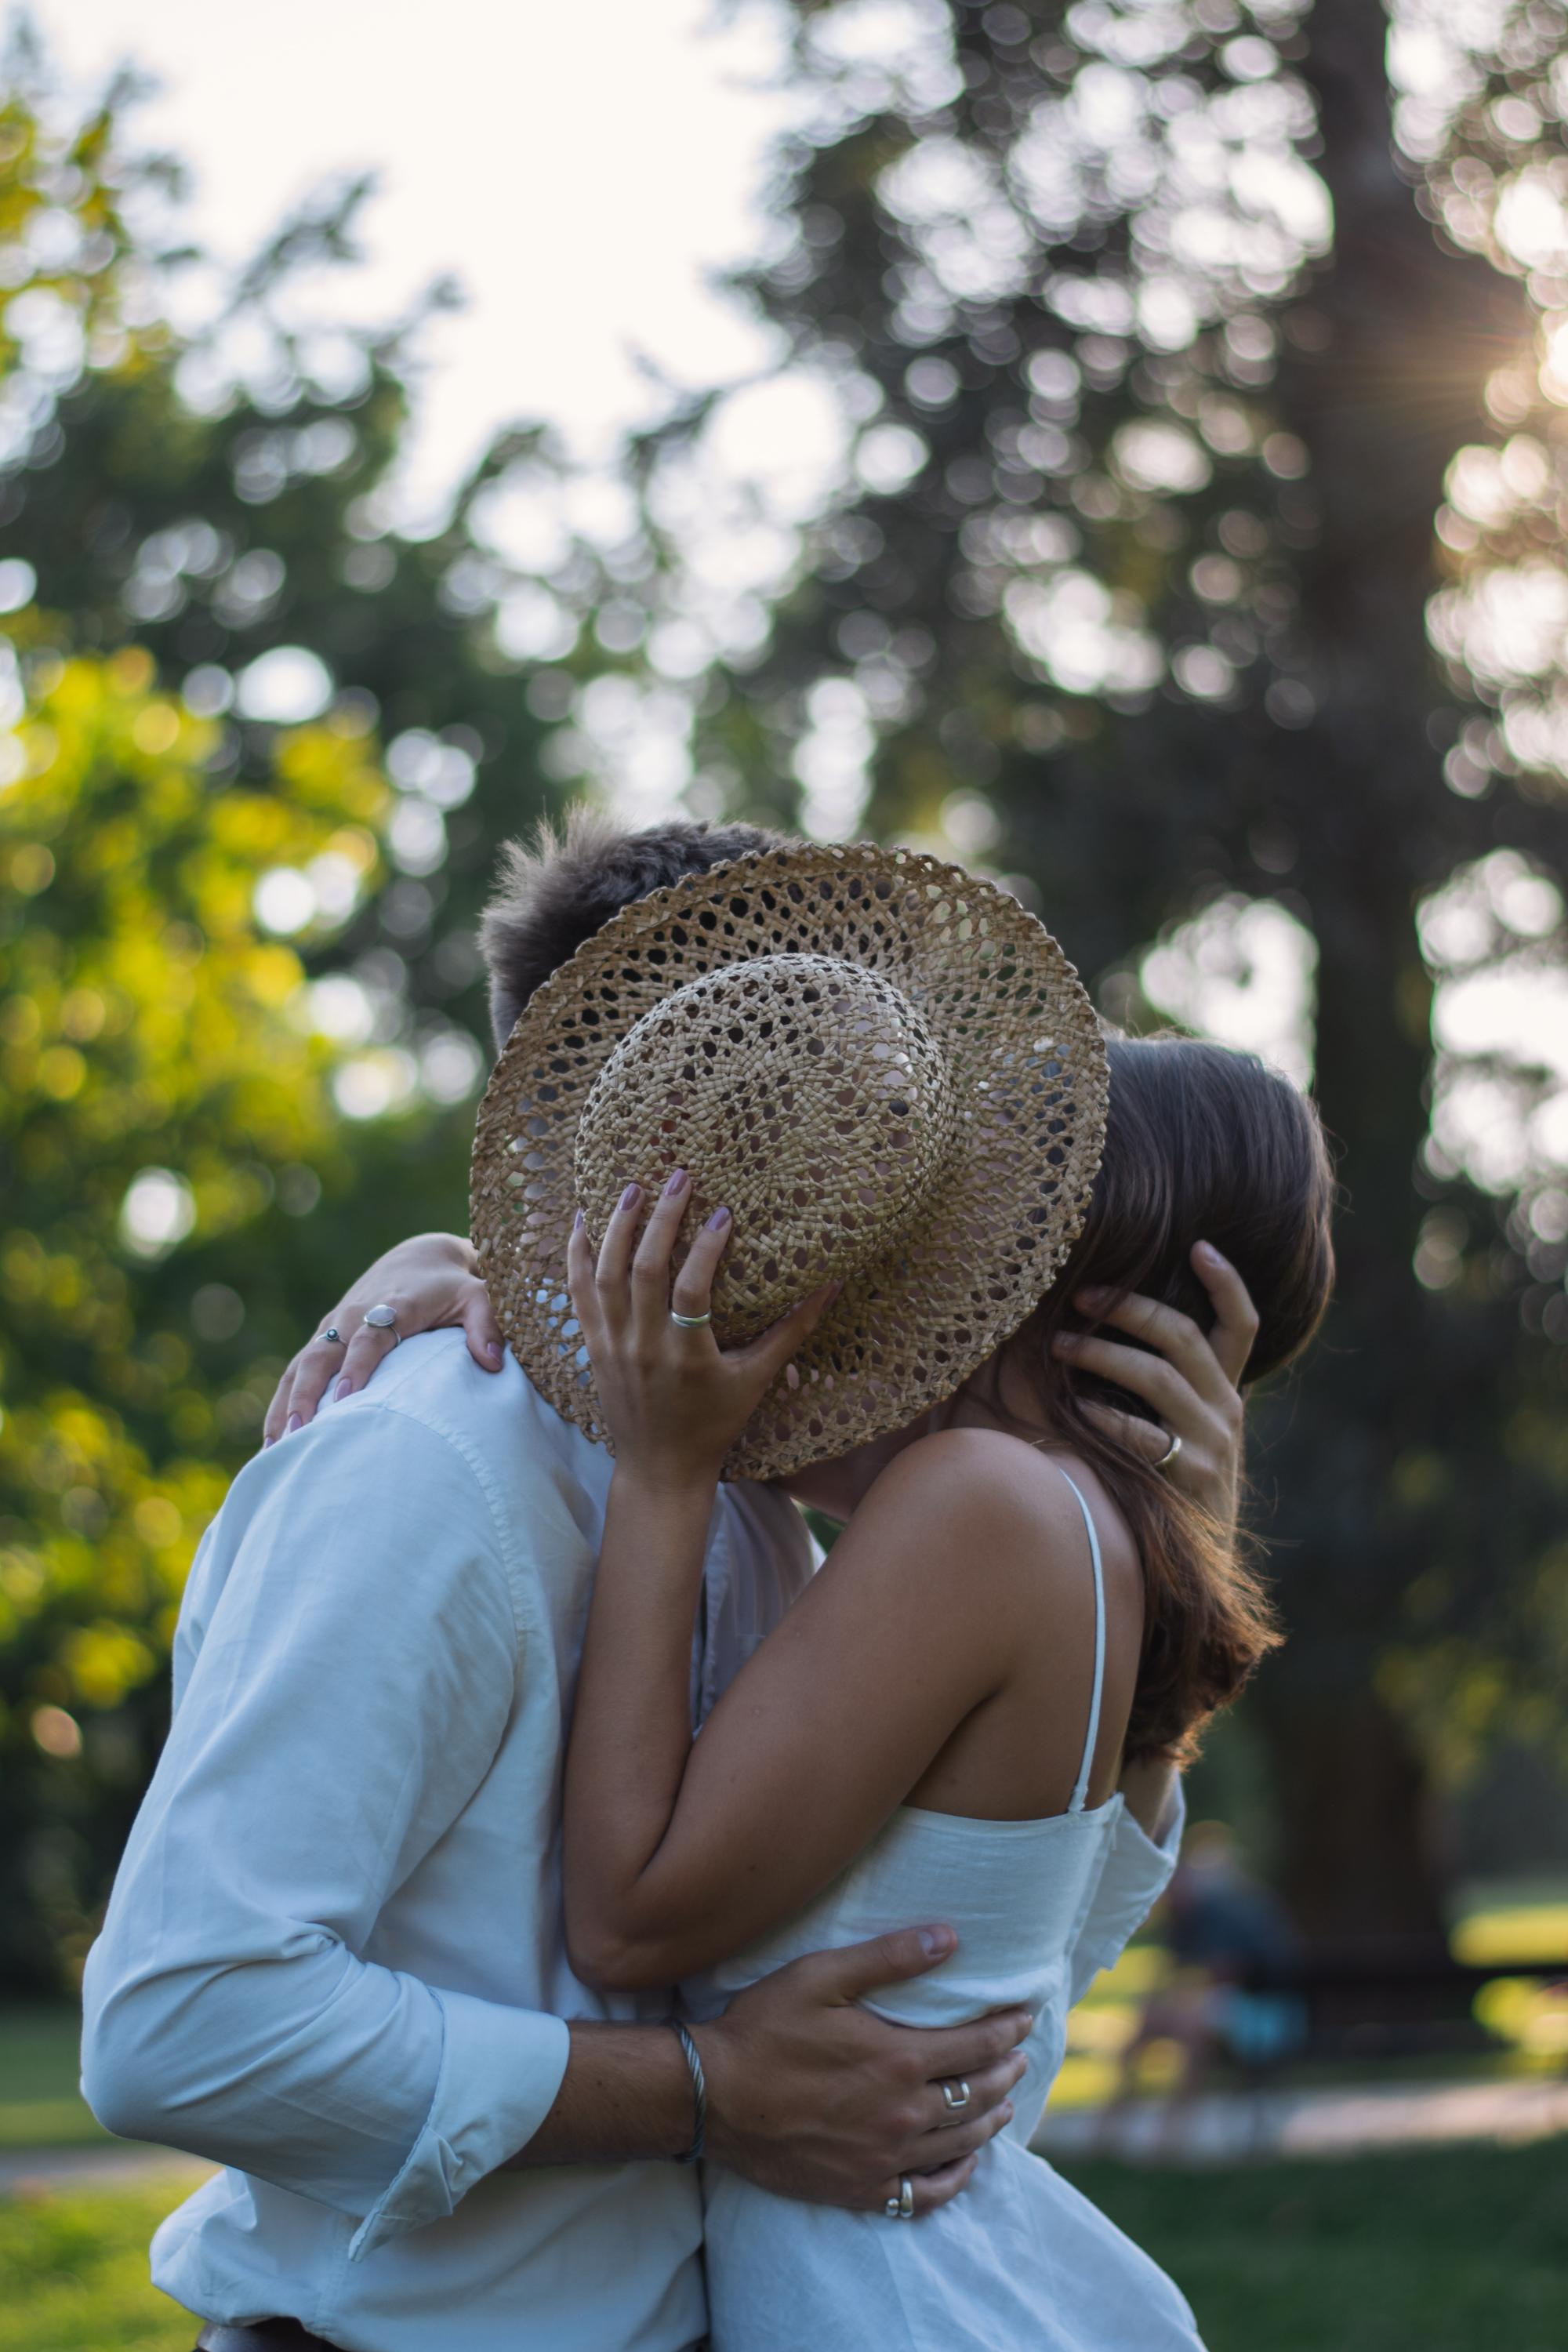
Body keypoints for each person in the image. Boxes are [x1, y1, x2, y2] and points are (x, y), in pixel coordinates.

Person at [278, 834, 1330, 2350]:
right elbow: (1027, 1953)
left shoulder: (978, 1509)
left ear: (1064, 1272)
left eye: (982, 1213)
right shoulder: (1066, 1528)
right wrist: (475, 1264)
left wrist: (661, 1477)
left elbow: (630, 1924)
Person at [80, 818, 1050, 2352]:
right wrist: (705, 2095)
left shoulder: (751, 1499)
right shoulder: (425, 1471)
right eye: (809, 1101)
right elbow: (182, 2022)